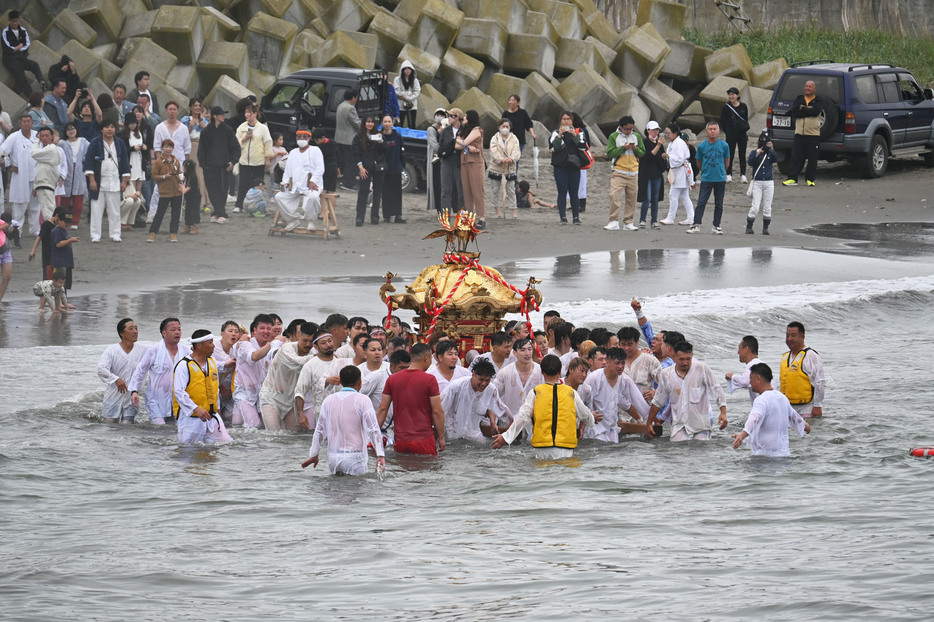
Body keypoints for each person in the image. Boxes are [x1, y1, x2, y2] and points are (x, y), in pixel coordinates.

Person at [491, 354, 599, 459]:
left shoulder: (535, 392)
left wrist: (506, 437)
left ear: (542, 372)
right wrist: (592, 419)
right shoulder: (571, 393)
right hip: (565, 448)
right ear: (559, 372)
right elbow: (586, 416)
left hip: (542, 448)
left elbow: (523, 417)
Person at [302, 365, 386, 475]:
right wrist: (380, 455)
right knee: (357, 490)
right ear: (360, 382)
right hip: (355, 457)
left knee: (336, 490)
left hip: (333, 457)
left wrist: (314, 454)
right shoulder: (363, 400)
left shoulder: (329, 400)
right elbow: (373, 429)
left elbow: (320, 430)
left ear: (340, 382)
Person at [646, 341, 727, 442]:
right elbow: (658, 400)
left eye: (688, 359)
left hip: (701, 426)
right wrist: (649, 423)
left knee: (700, 449)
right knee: (678, 451)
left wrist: (723, 413)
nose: (685, 363)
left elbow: (717, 390)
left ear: (692, 355)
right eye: (681, 359)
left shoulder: (702, 369)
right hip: (679, 426)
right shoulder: (666, 374)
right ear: (674, 357)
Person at [376, 343, 445, 455]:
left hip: (400, 439)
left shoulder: (392, 379)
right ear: (426, 358)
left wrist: (373, 436)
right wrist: (441, 437)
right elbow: (437, 411)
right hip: (423, 439)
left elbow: (382, 409)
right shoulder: (430, 380)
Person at [732, 363, 810, 456]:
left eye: (751, 379)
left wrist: (742, 435)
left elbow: (755, 418)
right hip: (784, 455)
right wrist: (805, 426)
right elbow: (796, 418)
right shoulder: (782, 398)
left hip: (765, 457)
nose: (750, 383)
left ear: (758, 379)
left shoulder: (761, 400)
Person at [173, 329, 234, 444]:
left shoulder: (212, 362)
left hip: (212, 417)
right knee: (189, 453)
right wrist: (196, 409)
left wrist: (218, 409)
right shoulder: (183, 365)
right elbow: (179, 392)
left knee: (227, 444)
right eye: (210, 343)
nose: (213, 346)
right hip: (191, 420)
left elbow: (214, 388)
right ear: (199, 345)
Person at [129, 317, 191, 425]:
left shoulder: (186, 351)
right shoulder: (154, 350)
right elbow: (140, 370)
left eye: (179, 329)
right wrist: (134, 390)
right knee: (160, 427)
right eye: (173, 330)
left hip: (178, 399)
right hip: (156, 399)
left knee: (173, 429)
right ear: (164, 333)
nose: (177, 332)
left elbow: (197, 368)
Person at [258, 321, 316, 431]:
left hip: (291, 402)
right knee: (274, 436)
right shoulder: (286, 349)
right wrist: (319, 357)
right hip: (272, 397)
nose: (308, 344)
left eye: (311, 341)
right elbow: (298, 362)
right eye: (305, 340)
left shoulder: (312, 354)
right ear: (298, 336)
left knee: (291, 438)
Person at [583, 347, 649, 442]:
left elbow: (638, 401)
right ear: (607, 361)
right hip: (595, 428)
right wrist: (587, 417)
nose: (621, 366)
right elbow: (582, 401)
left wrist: (650, 420)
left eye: (623, 363)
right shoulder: (594, 378)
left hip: (612, 428)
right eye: (617, 363)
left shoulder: (625, 380)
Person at [232, 313, 282, 428]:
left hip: (261, 394)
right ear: (254, 330)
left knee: (261, 425)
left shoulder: (272, 346)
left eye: (269, 328)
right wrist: (272, 344)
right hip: (244, 393)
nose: (266, 331)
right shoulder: (245, 343)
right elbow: (252, 357)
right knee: (253, 425)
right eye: (262, 328)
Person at [441, 359, 509, 441]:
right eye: (481, 379)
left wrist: (493, 422)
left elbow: (497, 407)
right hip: (451, 433)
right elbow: (440, 410)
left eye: (487, 380)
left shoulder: (491, 389)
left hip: (474, 434)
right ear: (473, 375)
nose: (484, 383)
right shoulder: (456, 386)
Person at [97, 318, 146, 422]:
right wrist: (116, 379)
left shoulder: (143, 350)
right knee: (110, 426)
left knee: (127, 427)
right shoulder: (112, 350)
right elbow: (101, 369)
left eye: (136, 328)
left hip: (131, 398)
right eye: (131, 329)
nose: (135, 331)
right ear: (122, 333)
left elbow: (159, 356)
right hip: (113, 397)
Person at [149, 100, 191, 221]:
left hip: (179, 162)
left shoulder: (183, 128)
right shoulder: (160, 127)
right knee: (158, 190)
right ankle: (152, 215)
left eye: (174, 109)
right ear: (166, 111)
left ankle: (177, 215)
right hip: (163, 163)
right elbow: (157, 147)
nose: (172, 112)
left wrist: (186, 166)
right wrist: (158, 163)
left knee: (179, 189)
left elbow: (187, 148)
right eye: (170, 109)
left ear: (177, 111)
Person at [275, 127, 324, 230]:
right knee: (279, 197)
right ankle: (292, 220)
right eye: (299, 136)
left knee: (313, 198)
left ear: (309, 138)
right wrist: (285, 182)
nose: (302, 138)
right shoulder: (293, 152)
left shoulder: (316, 150)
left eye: (304, 136)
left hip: (311, 185)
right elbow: (288, 170)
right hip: (295, 185)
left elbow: (320, 168)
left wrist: (313, 181)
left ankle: (311, 221)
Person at [687, 121, 730, 235]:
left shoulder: (724, 145)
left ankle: (717, 225)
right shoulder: (702, 146)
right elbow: (698, 162)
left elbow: (727, 161)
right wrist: (704, 170)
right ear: (707, 131)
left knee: (719, 203)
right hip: (706, 178)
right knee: (701, 202)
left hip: (720, 178)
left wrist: (722, 171)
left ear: (718, 130)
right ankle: (696, 224)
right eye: (710, 129)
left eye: (714, 129)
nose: (712, 131)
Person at [198, 106, 239, 224]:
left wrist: (233, 161)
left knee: (223, 189)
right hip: (209, 166)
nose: (223, 117)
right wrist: (203, 164)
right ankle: (218, 212)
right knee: (212, 189)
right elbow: (202, 149)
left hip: (225, 166)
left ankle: (220, 213)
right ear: (215, 116)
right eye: (221, 114)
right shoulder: (206, 131)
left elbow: (235, 148)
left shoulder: (228, 130)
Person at [1, 115, 40, 236]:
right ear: (20, 124)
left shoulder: (37, 136)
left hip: (36, 174)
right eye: (24, 122)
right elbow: (3, 152)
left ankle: (35, 229)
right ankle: (17, 231)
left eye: (29, 122)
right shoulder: (14, 137)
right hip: (20, 175)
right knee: (19, 204)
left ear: (32, 123)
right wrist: (8, 165)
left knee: (36, 203)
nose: (27, 124)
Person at [604, 115, 644, 231]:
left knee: (632, 198)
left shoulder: (636, 136)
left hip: (633, 172)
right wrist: (623, 148)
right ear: (621, 127)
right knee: (614, 196)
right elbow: (610, 153)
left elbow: (642, 153)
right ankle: (613, 221)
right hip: (618, 171)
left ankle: (628, 222)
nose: (628, 131)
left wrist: (636, 149)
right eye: (626, 129)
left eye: (631, 129)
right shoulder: (614, 136)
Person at [777, 321, 825, 418]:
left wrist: (817, 405)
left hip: (807, 409)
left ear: (802, 337)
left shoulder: (810, 355)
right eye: (787, 336)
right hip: (788, 409)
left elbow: (820, 382)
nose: (789, 339)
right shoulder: (785, 356)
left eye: (793, 335)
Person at [782, 80, 825, 187]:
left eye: (810, 86)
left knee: (812, 158)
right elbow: (795, 111)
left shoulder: (818, 100)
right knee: (796, 157)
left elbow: (815, 112)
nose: (807, 88)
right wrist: (805, 110)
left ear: (814, 89)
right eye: (806, 86)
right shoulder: (799, 99)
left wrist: (803, 109)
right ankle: (792, 178)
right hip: (799, 134)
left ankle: (810, 179)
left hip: (813, 134)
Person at [234, 103, 272, 214]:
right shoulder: (242, 127)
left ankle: (257, 206)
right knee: (243, 183)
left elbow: (268, 142)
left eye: (249, 113)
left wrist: (267, 158)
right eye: (245, 113)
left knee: (258, 184)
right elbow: (236, 142)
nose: (246, 115)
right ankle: (239, 205)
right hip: (244, 160)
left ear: (255, 114)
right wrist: (245, 138)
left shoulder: (262, 128)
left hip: (258, 161)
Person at [549, 110, 586, 225]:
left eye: (568, 119)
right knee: (562, 192)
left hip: (574, 166)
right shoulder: (555, 133)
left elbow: (582, 147)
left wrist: (574, 135)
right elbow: (553, 148)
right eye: (564, 119)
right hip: (560, 166)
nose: (566, 121)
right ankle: (563, 217)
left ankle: (576, 217)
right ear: (560, 121)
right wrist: (560, 135)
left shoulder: (579, 132)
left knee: (574, 192)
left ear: (572, 120)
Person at [147, 138, 184, 242]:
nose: (168, 149)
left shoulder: (175, 160)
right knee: (160, 213)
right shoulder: (158, 162)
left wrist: (181, 178)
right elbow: (153, 175)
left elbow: (179, 172)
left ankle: (173, 234)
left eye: (170, 147)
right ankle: (152, 233)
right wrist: (164, 176)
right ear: (162, 148)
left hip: (177, 190)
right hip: (165, 191)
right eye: (166, 147)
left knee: (176, 214)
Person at [1, 12, 46, 98]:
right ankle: (32, 97)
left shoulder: (23, 30)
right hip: (10, 59)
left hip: (21, 57)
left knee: (34, 65)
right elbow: (8, 48)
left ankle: (42, 83)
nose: (14, 23)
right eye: (13, 21)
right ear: (9, 21)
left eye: (16, 21)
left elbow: (27, 44)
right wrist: (20, 45)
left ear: (19, 20)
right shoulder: (5, 32)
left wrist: (17, 48)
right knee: (20, 76)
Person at [659, 122, 694, 226]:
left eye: (668, 133)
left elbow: (679, 159)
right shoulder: (673, 143)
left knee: (673, 194)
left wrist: (668, 156)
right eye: (666, 133)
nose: (667, 135)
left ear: (675, 133)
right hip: (678, 170)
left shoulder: (679, 143)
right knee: (684, 195)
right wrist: (668, 156)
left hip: (681, 170)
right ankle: (691, 217)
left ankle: (671, 217)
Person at [353, 115, 383, 226]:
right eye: (368, 121)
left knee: (377, 192)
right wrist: (360, 167)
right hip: (364, 167)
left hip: (377, 167)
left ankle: (375, 217)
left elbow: (383, 151)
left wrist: (380, 142)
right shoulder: (359, 136)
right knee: (363, 192)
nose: (370, 124)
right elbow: (356, 153)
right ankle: (359, 217)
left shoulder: (378, 135)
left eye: (372, 122)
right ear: (364, 123)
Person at [487, 118, 520, 220]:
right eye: (503, 126)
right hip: (496, 168)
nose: (505, 128)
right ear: (499, 127)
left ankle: (513, 211)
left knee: (511, 190)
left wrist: (511, 158)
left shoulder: (514, 138)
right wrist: (501, 159)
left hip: (510, 168)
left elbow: (517, 150)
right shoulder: (494, 138)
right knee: (495, 190)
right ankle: (497, 211)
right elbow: (493, 150)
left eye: (507, 127)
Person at [180, 98, 209, 211]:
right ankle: (186, 201)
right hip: (189, 146)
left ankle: (204, 202)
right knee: (189, 173)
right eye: (195, 105)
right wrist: (190, 126)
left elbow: (209, 134)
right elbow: (182, 134)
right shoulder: (186, 120)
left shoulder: (204, 121)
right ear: (191, 107)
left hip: (201, 147)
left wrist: (203, 125)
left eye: (199, 105)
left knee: (201, 174)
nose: (197, 107)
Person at [457, 110, 485, 227]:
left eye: (465, 117)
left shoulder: (477, 130)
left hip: (475, 162)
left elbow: (463, 142)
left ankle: (481, 217)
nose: (463, 118)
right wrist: (466, 145)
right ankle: (469, 216)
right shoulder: (466, 130)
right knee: (467, 190)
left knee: (477, 190)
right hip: (465, 161)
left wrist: (462, 143)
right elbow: (457, 145)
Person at [746, 129, 777, 235]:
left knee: (767, 206)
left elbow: (776, 159)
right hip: (758, 183)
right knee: (755, 206)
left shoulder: (771, 153)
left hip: (769, 183)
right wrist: (757, 153)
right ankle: (749, 226)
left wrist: (772, 149)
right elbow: (750, 162)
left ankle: (765, 228)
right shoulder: (755, 153)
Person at [58, 123, 89, 226]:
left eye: (73, 129)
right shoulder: (62, 143)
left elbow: (90, 152)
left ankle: (75, 221)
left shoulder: (83, 142)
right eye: (68, 129)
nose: (71, 131)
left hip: (79, 171)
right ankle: (65, 220)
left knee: (78, 199)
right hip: (67, 170)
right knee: (65, 200)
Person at [637, 120, 666, 229]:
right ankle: (642, 220)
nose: (655, 132)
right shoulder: (644, 142)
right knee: (647, 198)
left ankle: (654, 220)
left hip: (657, 175)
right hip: (646, 175)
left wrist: (664, 157)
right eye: (653, 130)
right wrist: (658, 146)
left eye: (657, 130)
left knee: (655, 198)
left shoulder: (660, 144)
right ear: (648, 130)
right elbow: (646, 158)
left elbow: (661, 163)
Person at [377, 114, 406, 224]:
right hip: (384, 169)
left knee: (397, 192)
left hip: (396, 168)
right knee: (385, 192)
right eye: (385, 121)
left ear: (392, 123)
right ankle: (386, 216)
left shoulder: (397, 136)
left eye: (389, 121)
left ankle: (398, 215)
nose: (387, 124)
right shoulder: (379, 136)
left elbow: (402, 151)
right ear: (382, 123)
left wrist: (401, 164)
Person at [31, 126, 63, 223]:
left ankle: (52, 236)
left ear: (52, 137)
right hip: (43, 185)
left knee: (49, 214)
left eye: (47, 136)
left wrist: (36, 140)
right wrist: (35, 186)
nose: (44, 138)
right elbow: (40, 169)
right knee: (49, 212)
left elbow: (33, 153)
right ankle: (52, 236)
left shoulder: (51, 149)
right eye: (42, 136)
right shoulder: (46, 150)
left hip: (46, 185)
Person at [212, 320, 241, 421]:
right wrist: (221, 386)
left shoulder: (235, 350)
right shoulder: (214, 347)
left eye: (236, 332)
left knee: (233, 415)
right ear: (222, 333)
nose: (234, 333)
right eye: (230, 331)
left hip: (228, 392)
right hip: (213, 388)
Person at [720, 87, 749, 183]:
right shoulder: (726, 107)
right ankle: (728, 174)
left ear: (737, 95)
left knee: (742, 154)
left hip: (741, 133)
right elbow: (722, 121)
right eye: (730, 94)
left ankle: (743, 175)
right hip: (731, 133)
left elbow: (745, 119)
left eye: (733, 94)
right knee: (730, 154)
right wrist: (728, 131)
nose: (731, 96)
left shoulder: (743, 106)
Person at [335, 89, 361, 190]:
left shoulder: (340, 105)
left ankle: (344, 181)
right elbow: (356, 123)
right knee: (351, 162)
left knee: (345, 161)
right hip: (349, 139)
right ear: (353, 98)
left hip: (340, 138)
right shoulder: (350, 108)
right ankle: (349, 183)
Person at [726, 335, 763, 404]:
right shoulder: (759, 363)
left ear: (746, 349)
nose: (738, 352)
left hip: (766, 407)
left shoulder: (753, 364)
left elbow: (745, 381)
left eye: (739, 348)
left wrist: (732, 376)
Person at [49, 211, 78, 291]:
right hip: (59, 263)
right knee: (59, 284)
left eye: (69, 223)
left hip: (67, 262)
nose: (67, 225)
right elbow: (58, 244)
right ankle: (60, 301)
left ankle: (64, 301)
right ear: (59, 220)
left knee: (65, 284)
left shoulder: (65, 230)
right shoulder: (57, 231)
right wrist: (70, 240)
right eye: (66, 222)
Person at [426, 107, 446, 213]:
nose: (440, 117)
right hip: (436, 160)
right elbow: (434, 145)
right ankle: (439, 209)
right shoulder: (431, 129)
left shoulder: (447, 128)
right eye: (438, 114)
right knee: (437, 184)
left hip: (445, 160)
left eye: (442, 115)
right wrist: (445, 150)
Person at [394, 60, 421, 128]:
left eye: (409, 68)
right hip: (400, 106)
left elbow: (417, 92)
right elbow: (397, 91)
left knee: (412, 124)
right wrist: (409, 93)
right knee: (399, 124)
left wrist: (406, 97)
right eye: (405, 68)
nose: (407, 70)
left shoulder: (415, 80)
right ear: (402, 70)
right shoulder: (397, 79)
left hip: (412, 105)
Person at [312, 128, 339, 193]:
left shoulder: (321, 148)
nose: (316, 142)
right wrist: (338, 167)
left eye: (317, 140)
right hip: (334, 168)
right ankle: (331, 203)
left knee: (323, 190)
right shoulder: (333, 142)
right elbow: (338, 156)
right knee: (332, 190)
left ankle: (324, 203)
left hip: (326, 169)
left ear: (323, 137)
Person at [181, 159, 201, 234]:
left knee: (194, 211)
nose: (183, 169)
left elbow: (186, 190)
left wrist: (181, 186)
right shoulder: (186, 176)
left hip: (195, 197)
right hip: (189, 197)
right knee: (188, 211)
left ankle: (195, 226)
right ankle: (187, 226)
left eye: (184, 167)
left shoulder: (193, 178)